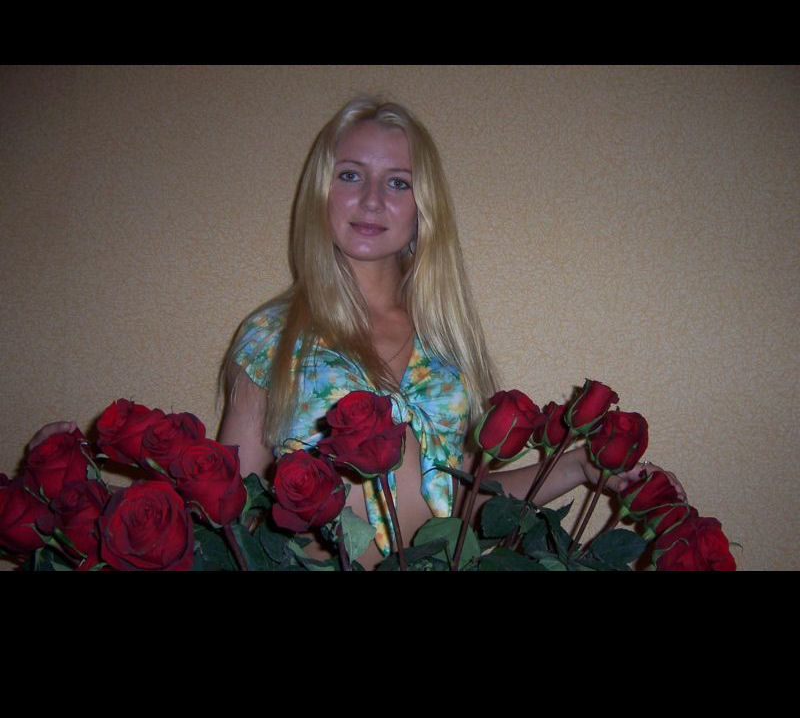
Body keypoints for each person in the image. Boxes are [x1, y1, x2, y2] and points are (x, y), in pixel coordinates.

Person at [28, 96, 685, 570]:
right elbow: (231, 513)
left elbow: (458, 503)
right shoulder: (271, 337)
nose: (372, 199)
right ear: (322, 194)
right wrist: (88, 501)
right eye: (350, 175)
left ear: (422, 209)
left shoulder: (446, 345)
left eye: (397, 182)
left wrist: (578, 466)